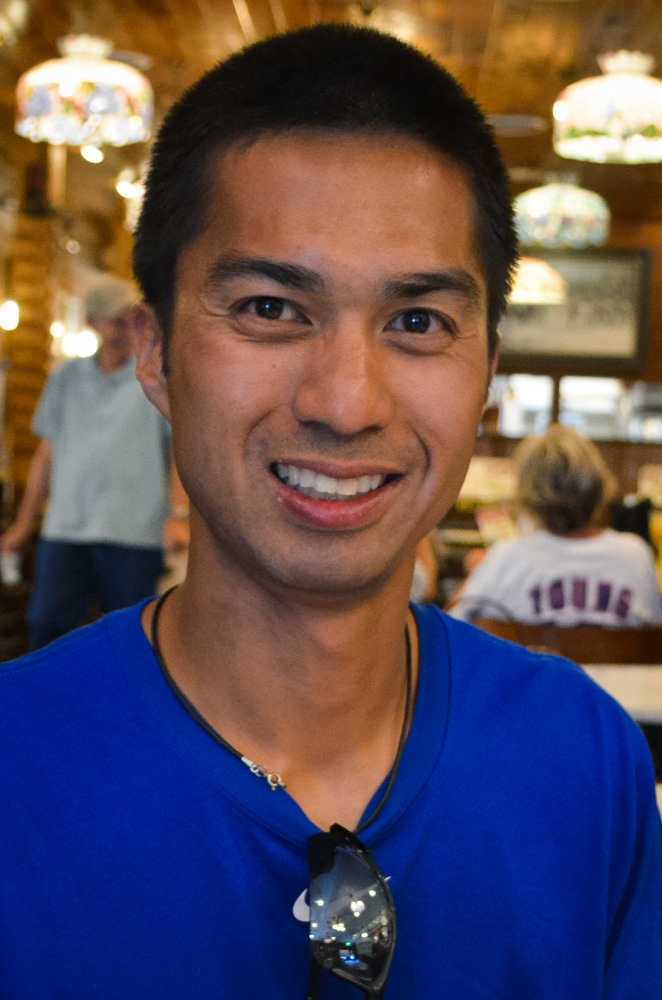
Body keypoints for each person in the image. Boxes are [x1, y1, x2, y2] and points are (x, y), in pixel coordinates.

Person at [0, 25, 659, 999]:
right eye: (270, 307)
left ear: (485, 375)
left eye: (417, 321)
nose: (346, 404)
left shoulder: (583, 761)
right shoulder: (18, 767)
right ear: (155, 353)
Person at [0, 281, 187, 649]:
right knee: (47, 627)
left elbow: (176, 451)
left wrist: (178, 516)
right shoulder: (65, 377)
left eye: (130, 320)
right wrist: (22, 525)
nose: (124, 330)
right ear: (92, 322)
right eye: (114, 321)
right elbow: (46, 455)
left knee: (131, 639)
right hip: (65, 529)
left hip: (135, 534)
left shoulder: (155, 378)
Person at [450, 423, 662, 626]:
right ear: (598, 486)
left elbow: (452, 628)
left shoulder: (507, 558)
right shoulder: (635, 556)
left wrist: (477, 573)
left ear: (528, 493)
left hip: (531, 654)